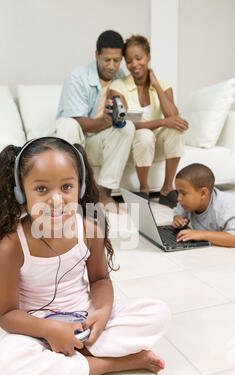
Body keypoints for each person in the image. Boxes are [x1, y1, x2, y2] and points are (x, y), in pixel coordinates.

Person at [0, 136, 171, 375]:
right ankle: (112, 363)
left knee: (158, 312)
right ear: (22, 193)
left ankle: (72, 356)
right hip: (35, 328)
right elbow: (6, 315)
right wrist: (49, 329)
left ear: (79, 189)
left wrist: (102, 313)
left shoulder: (89, 229)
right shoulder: (12, 245)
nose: (56, 199)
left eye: (66, 187)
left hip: (84, 318)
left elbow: (100, 280)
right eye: (41, 189)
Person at [52, 30, 135, 210]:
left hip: (98, 142)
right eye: (107, 60)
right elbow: (77, 122)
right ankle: (73, 193)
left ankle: (104, 194)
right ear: (97, 55)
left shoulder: (122, 78)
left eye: (117, 60)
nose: (112, 66)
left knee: (127, 127)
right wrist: (107, 120)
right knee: (67, 124)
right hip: (75, 140)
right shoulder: (77, 77)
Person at [109, 35, 189, 208]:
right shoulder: (118, 87)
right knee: (144, 135)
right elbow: (125, 123)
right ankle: (144, 189)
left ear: (148, 57)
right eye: (129, 61)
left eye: (139, 58)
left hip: (157, 145)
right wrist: (161, 122)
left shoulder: (162, 85)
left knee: (175, 130)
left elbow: (172, 115)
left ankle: (167, 189)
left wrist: (156, 86)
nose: (134, 64)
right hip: (134, 145)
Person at [172, 163, 235, 247]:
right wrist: (178, 218)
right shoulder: (185, 203)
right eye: (177, 192)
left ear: (203, 193)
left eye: (183, 193)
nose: (178, 198)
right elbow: (179, 214)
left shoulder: (225, 208)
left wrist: (202, 234)